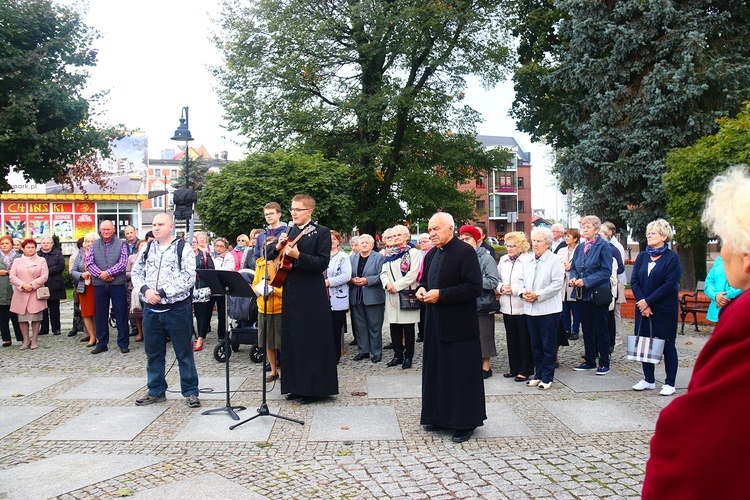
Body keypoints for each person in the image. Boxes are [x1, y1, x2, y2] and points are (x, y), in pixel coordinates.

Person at [642, 166, 750, 498]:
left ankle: (669, 379)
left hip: (662, 309)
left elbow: (708, 430)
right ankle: (648, 376)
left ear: (746, 257)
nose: (721, 252)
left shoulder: (744, 316)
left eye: (723, 241)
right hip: (647, 307)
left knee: (668, 346)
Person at [417, 212, 485, 443]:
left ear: (450, 228)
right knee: (437, 371)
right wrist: (422, 289)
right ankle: (437, 416)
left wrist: (442, 295)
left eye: (436, 229)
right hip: (435, 323)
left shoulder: (465, 252)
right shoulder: (431, 254)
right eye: (430, 229)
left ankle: (464, 422)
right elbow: (426, 280)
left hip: (459, 325)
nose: (432, 233)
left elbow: (474, 287)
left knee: (460, 374)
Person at [267, 194, 337, 404]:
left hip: (311, 294)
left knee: (309, 339)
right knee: (292, 338)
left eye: (298, 209)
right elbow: (270, 255)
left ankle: (313, 389)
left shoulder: (320, 232)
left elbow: (321, 263)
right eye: (292, 209)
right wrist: (278, 247)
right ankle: (294, 386)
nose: (294, 213)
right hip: (290, 291)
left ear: (309, 212)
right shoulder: (290, 230)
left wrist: (298, 256)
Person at [131, 213, 200, 408]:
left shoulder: (182, 248)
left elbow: (188, 277)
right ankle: (155, 390)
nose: (156, 227)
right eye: (153, 224)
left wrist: (161, 292)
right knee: (153, 352)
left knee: (184, 352)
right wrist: (145, 290)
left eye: (160, 224)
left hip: (177, 309)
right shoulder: (146, 249)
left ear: (171, 226)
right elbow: (136, 273)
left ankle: (190, 391)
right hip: (151, 310)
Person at [630, 219, 682, 396]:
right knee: (645, 343)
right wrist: (642, 302)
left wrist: (649, 301)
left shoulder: (672, 258)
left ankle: (670, 383)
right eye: (648, 233)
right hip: (643, 308)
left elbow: (669, 284)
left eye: (652, 233)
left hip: (664, 308)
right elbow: (635, 280)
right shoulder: (643, 256)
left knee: (667, 344)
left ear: (664, 236)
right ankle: (649, 380)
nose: (648, 236)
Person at [518, 227, 565, 390]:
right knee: (535, 343)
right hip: (530, 309)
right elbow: (520, 281)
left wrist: (537, 294)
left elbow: (557, 284)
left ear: (547, 244)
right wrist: (523, 292)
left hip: (548, 309)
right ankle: (538, 374)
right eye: (534, 240)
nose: (535, 244)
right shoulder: (527, 260)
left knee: (548, 344)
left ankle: (547, 376)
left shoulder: (555, 260)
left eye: (539, 241)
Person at [569, 215, 613, 374]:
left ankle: (604, 362)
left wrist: (586, 281)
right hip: (582, 294)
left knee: (601, 328)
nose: (584, 230)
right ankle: (589, 360)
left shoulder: (604, 246)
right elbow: (574, 266)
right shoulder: (580, 247)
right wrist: (574, 277)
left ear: (596, 228)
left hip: (597, 293)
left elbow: (606, 271)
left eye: (588, 227)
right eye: (583, 227)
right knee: (586, 328)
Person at [458, 225, 499, 379]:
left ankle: (486, 367)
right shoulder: (460, 256)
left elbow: (493, 281)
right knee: (468, 335)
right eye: (461, 239)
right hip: (464, 302)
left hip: (482, 302)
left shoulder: (486, 257)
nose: (464, 242)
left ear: (476, 240)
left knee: (484, 334)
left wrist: (473, 281)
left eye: (467, 239)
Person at [86, 220, 130, 354]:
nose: (105, 232)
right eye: (103, 229)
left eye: (108, 229)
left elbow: (123, 262)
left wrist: (108, 273)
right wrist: (101, 275)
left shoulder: (121, 243)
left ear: (114, 230)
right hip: (100, 284)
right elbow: (89, 263)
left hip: (117, 283)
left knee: (120, 313)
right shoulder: (94, 244)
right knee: (100, 314)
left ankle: (123, 343)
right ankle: (102, 343)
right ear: (100, 230)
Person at [381, 225, 422, 369]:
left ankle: (408, 356)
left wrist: (396, 286)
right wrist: (387, 284)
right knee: (394, 327)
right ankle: (397, 355)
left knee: (408, 328)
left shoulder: (413, 252)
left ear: (406, 236)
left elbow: (413, 274)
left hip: (405, 293)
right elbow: (383, 272)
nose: (396, 238)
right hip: (391, 295)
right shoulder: (390, 253)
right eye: (394, 235)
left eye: (399, 235)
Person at [497, 232, 534, 382]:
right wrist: (501, 287)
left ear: (521, 246)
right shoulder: (503, 260)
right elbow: (497, 279)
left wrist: (514, 289)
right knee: (511, 339)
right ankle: (514, 368)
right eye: (508, 245)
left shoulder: (528, 260)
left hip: (523, 305)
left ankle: (525, 369)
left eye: (513, 246)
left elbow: (530, 281)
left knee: (524, 339)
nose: (510, 249)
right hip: (506, 305)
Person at [349, 234, 385, 362]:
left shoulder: (378, 257)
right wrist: (352, 280)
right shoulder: (352, 258)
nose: (363, 245)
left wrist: (366, 280)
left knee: (374, 325)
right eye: (361, 242)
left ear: (372, 245)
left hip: (373, 296)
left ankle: (376, 352)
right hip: (356, 296)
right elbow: (348, 274)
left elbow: (382, 275)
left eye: (366, 243)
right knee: (360, 326)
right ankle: (363, 351)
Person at [9, 238, 49, 350]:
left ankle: (35, 339)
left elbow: (44, 275)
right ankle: (26, 339)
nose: (30, 250)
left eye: (33, 247)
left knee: (36, 317)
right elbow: (12, 276)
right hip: (21, 292)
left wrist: (32, 285)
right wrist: (23, 285)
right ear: (23, 249)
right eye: (28, 247)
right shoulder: (17, 261)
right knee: (22, 318)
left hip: (35, 291)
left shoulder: (41, 260)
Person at [252, 249, 283, 382]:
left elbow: (288, 288)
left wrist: (275, 291)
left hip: (280, 308)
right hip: (263, 308)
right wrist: (260, 289)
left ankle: (286, 372)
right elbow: (254, 284)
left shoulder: (281, 264)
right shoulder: (260, 265)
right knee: (268, 342)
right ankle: (273, 371)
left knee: (282, 342)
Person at [326, 230, 352, 362]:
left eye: (334, 239)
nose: (331, 241)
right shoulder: (321, 255)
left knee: (336, 329)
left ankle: (336, 355)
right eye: (328, 239)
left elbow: (346, 276)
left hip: (337, 297)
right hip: (322, 298)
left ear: (338, 241)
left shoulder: (343, 257)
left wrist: (328, 282)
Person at [71, 232, 98, 347]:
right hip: (84, 287)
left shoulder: (100, 253)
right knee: (86, 313)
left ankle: (99, 336)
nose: (89, 244)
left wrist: (94, 272)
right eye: (87, 241)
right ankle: (91, 336)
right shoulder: (80, 254)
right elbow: (73, 271)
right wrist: (81, 275)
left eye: (92, 241)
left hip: (97, 286)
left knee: (98, 312)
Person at [603, 221, 627, 344]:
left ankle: (617, 337)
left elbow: (620, 267)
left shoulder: (616, 247)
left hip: (616, 282)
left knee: (615, 311)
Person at [38, 236, 66, 336]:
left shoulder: (57, 253)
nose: (45, 244)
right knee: (42, 308)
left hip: (54, 283)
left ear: (52, 244)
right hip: (41, 284)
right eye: (44, 243)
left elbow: (61, 266)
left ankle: (56, 328)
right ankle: (44, 328)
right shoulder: (38, 254)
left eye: (48, 243)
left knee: (54, 307)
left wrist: (46, 271)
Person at [191, 237, 215, 352]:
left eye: (194, 242)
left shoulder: (205, 255)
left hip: (202, 286)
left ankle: (200, 337)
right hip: (187, 289)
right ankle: (190, 337)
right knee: (186, 314)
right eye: (190, 243)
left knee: (201, 315)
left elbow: (211, 271)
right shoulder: (183, 256)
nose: (192, 244)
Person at [704, 255, 742, 324]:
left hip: (738, 308)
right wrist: (715, 295)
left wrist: (726, 296)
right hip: (718, 309)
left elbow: (744, 282)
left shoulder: (746, 260)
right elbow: (709, 282)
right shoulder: (719, 260)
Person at [558, 228, 581, 340]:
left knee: (575, 309)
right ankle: (566, 329)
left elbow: (582, 264)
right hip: (563, 282)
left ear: (575, 238)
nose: (566, 238)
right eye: (566, 236)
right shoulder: (561, 250)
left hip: (574, 281)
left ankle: (575, 330)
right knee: (565, 308)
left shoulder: (580, 249)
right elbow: (556, 264)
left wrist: (571, 267)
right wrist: (564, 267)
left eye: (569, 236)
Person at [211, 237, 235, 340]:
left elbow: (228, 270)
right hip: (211, 286)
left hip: (222, 287)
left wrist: (220, 261)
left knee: (222, 312)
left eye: (221, 246)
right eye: (217, 246)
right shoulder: (210, 255)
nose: (219, 248)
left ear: (226, 247)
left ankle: (222, 334)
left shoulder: (229, 257)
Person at [0, 235, 21, 346]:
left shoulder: (18, 257)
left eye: (7, 243)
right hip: (1, 289)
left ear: (11, 244)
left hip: (15, 288)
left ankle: (21, 337)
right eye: (2, 244)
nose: (4, 245)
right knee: (2, 316)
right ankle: (6, 339)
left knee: (16, 314)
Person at [126, 240, 148, 343]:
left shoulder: (150, 257)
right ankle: (140, 332)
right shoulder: (132, 258)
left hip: (148, 289)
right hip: (134, 288)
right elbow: (126, 272)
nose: (143, 247)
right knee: (137, 313)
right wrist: (136, 276)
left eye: (145, 245)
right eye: (141, 246)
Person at [416, 233, 432, 343]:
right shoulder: (418, 254)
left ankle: (429, 333)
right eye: (420, 242)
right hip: (418, 285)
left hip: (430, 285)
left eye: (425, 241)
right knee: (420, 313)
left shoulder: (433, 253)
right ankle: (421, 333)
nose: (422, 244)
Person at [67, 237, 85, 337]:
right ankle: (75, 326)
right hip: (78, 284)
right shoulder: (75, 256)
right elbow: (72, 272)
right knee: (77, 307)